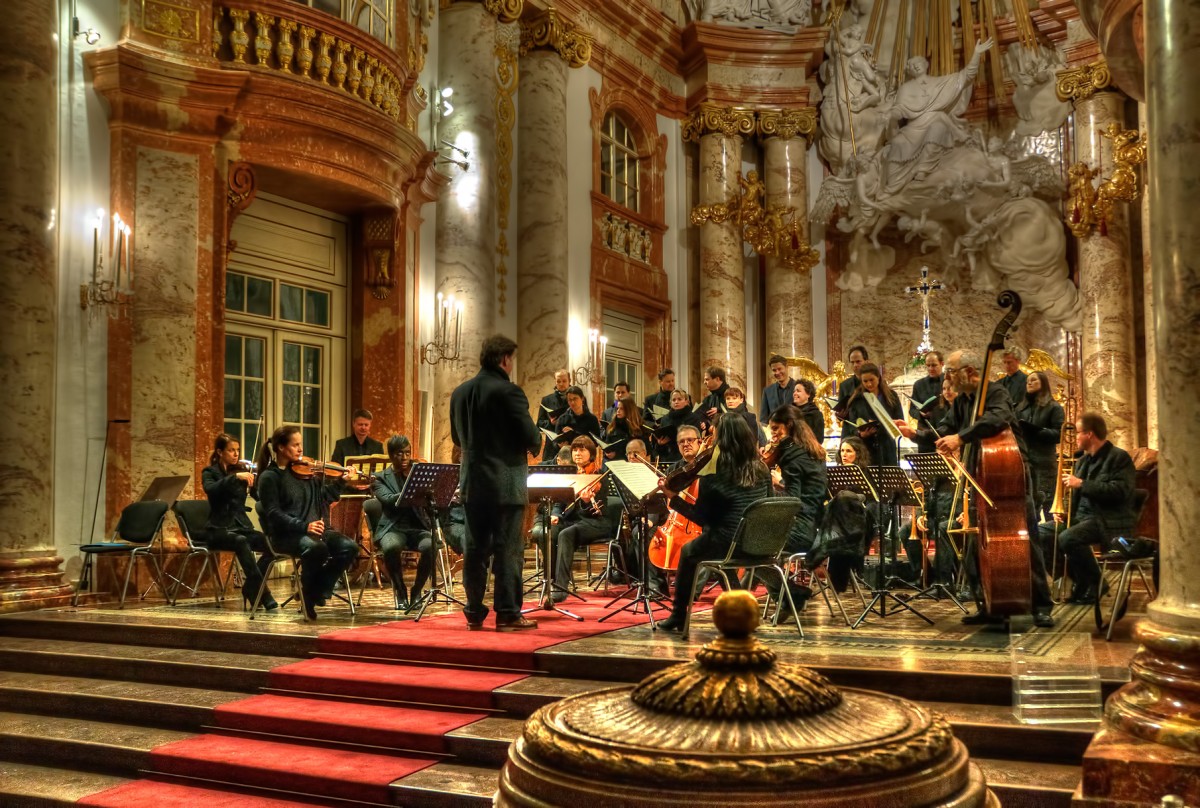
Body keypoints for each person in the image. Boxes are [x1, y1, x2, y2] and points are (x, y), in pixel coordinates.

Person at [934, 349, 1055, 628]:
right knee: (979, 542)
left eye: (951, 371)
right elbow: (947, 425)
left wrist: (961, 438)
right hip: (982, 474)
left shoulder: (996, 391)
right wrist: (918, 433)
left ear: (970, 371)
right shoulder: (963, 400)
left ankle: (1041, 605)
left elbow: (996, 419)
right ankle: (990, 604)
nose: (947, 378)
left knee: (1028, 541)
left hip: (1011, 472)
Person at [450, 334, 543, 631]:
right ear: (504, 359)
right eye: (512, 360)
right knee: (508, 550)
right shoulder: (509, 392)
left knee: (475, 550)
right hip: (505, 485)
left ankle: (474, 613)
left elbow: (456, 439)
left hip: (472, 484)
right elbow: (532, 438)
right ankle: (507, 614)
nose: (512, 365)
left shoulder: (460, 392)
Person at [656, 415, 772, 632]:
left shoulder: (714, 471)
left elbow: (701, 517)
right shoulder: (761, 468)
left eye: (714, 434)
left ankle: (679, 614)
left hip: (729, 542)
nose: (711, 439)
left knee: (690, 550)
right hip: (759, 541)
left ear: (722, 439)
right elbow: (769, 502)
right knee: (713, 543)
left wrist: (673, 498)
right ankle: (741, 608)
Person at [254, 425, 360, 620]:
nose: (301, 449)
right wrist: (305, 526)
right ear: (280, 448)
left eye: (300, 444)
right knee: (317, 549)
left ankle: (314, 591)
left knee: (350, 548)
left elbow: (324, 498)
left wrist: (342, 481)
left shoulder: (308, 473)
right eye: (295, 445)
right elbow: (273, 513)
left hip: (317, 531)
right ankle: (310, 597)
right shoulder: (270, 477)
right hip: (286, 535)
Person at [1035, 412, 1136, 605]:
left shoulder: (1118, 458)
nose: (1076, 439)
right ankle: (1077, 580)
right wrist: (1063, 512)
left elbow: (1120, 491)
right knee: (1040, 532)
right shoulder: (1083, 461)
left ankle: (1094, 584)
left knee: (1068, 537)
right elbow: (1074, 495)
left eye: (1079, 433)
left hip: (1107, 519)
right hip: (1081, 518)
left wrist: (1082, 484)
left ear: (1089, 434)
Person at [764, 406, 829, 615]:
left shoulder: (792, 455)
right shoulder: (811, 450)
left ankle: (790, 595)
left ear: (789, 426)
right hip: (814, 526)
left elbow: (793, 501)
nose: (772, 434)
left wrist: (767, 491)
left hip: (800, 529)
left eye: (776, 429)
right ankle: (787, 598)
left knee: (749, 549)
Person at [201, 433, 276, 609]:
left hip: (242, 526)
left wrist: (264, 487)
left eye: (238, 450)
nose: (236, 454)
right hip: (218, 529)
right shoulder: (210, 472)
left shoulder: (242, 470)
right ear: (220, 452)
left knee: (272, 546)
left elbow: (258, 495)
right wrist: (235, 478)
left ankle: (250, 587)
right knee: (240, 542)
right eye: (231, 450)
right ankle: (263, 594)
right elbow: (211, 489)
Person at [370, 434, 435, 611]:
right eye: (400, 454)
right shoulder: (379, 478)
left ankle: (417, 591)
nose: (405, 458)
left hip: (417, 527)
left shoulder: (418, 473)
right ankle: (400, 591)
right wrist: (413, 488)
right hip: (393, 527)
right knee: (391, 547)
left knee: (431, 546)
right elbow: (389, 500)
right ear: (391, 455)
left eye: (407, 453)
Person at [552, 436, 618, 601]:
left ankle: (560, 588)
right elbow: (560, 500)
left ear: (592, 454)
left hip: (598, 522)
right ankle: (553, 581)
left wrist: (587, 502)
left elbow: (600, 511)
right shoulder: (570, 473)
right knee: (550, 531)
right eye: (575, 450)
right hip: (576, 522)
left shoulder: (600, 475)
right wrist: (555, 514)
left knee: (566, 534)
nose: (577, 453)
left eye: (582, 450)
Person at [1018, 371, 1065, 521]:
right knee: (1030, 507)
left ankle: (1051, 541)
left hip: (1044, 463)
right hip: (1024, 463)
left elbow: (1059, 435)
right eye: (1027, 381)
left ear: (1043, 383)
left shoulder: (1053, 407)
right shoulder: (1020, 409)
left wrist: (1036, 432)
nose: (1029, 383)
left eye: (1033, 380)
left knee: (1047, 506)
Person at [842, 362, 904, 465]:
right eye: (865, 381)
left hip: (886, 445)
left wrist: (888, 424)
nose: (869, 384)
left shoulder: (891, 396)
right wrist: (860, 434)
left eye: (872, 380)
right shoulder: (857, 399)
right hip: (865, 447)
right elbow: (851, 424)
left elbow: (899, 419)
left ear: (878, 378)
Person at [650, 389, 702, 465]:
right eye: (673, 400)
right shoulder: (665, 419)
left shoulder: (694, 418)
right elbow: (659, 449)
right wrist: (660, 443)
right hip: (669, 456)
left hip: (688, 456)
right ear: (670, 403)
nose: (676, 402)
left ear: (687, 401)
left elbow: (697, 440)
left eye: (679, 399)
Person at [537, 370, 571, 460]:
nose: (561, 384)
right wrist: (550, 423)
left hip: (570, 444)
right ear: (555, 382)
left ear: (569, 381)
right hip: (551, 446)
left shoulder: (576, 399)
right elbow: (539, 423)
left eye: (564, 381)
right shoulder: (546, 400)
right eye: (558, 381)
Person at [554, 385, 601, 450]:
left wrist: (573, 434)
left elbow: (595, 443)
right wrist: (559, 445)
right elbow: (555, 442)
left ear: (582, 399)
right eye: (570, 400)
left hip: (584, 454)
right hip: (566, 455)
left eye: (575, 399)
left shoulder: (592, 419)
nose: (572, 402)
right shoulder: (562, 419)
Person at [833, 345, 869, 420]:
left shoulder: (872, 383)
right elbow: (840, 415)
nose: (855, 365)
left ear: (866, 361)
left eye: (858, 361)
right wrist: (840, 415)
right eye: (852, 362)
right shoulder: (844, 385)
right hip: (850, 429)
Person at [759, 354, 797, 425]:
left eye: (779, 369)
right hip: (774, 433)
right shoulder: (767, 391)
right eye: (774, 370)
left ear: (786, 367)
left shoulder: (798, 388)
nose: (777, 373)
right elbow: (763, 419)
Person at [792, 378, 825, 443]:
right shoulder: (788, 412)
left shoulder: (816, 414)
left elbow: (818, 440)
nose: (794, 393)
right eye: (794, 391)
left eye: (798, 391)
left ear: (808, 394)